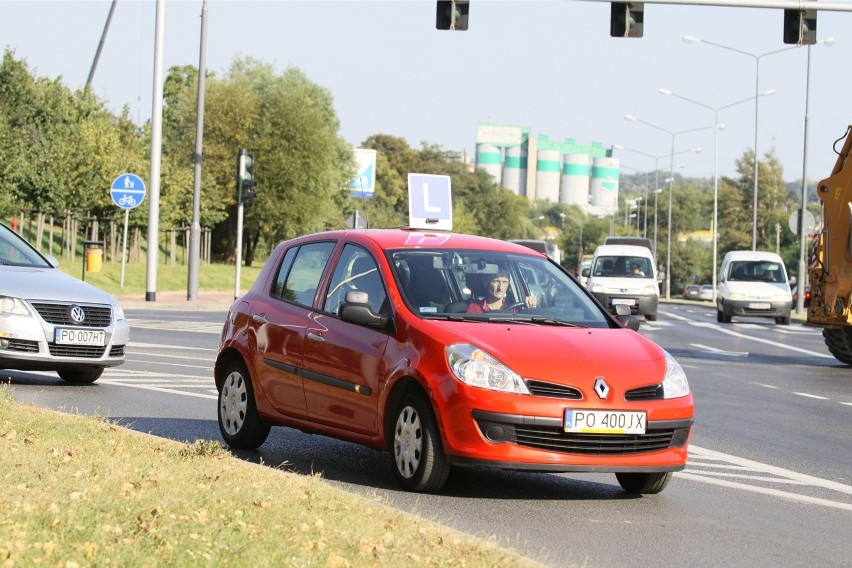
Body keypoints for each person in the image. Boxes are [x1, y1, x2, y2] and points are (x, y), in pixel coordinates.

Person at [466, 267, 537, 313]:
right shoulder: (475, 308)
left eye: (504, 282)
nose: (500, 287)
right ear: (485, 282)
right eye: (496, 281)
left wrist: (531, 306)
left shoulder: (515, 310)